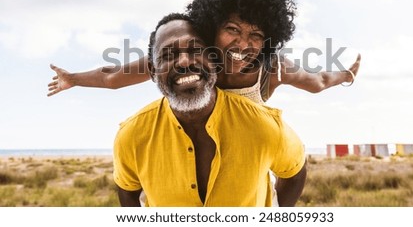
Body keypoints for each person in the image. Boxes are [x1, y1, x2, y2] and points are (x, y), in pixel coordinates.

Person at [47, 0, 361, 104]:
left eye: (255, 35)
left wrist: (346, 75)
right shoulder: (190, 59)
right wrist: (72, 79)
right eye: (232, 29)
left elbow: (319, 80)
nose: (243, 44)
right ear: (212, 26)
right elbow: (114, 76)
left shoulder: (272, 69)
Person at [114, 14, 307, 207]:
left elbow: (295, 172)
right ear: (153, 71)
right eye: (167, 55)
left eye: (196, 49)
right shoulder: (131, 135)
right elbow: (127, 191)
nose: (184, 62)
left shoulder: (264, 126)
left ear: (214, 59)